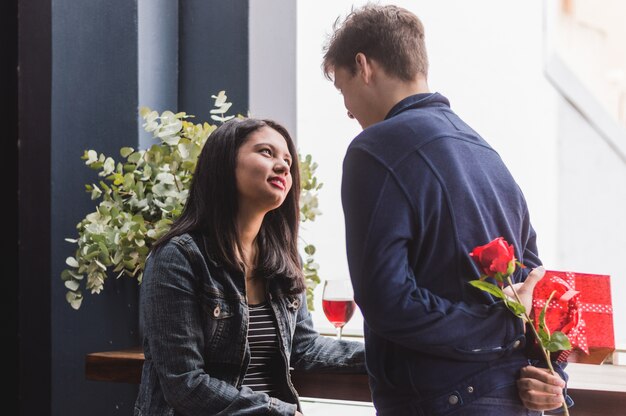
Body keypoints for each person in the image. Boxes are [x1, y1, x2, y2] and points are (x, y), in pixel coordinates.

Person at [321, 4, 572, 415]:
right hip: (513, 399)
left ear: (363, 66)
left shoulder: (374, 148)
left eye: (341, 87)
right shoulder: (487, 153)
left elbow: (387, 302)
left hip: (441, 402)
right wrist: (554, 377)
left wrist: (499, 326)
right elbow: (538, 288)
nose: (347, 108)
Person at [133, 117, 365, 416]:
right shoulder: (177, 258)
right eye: (267, 153)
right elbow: (185, 385)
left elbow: (306, 349)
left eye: (287, 160)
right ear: (225, 163)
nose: (283, 166)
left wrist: (387, 354)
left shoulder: (281, 258)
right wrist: (282, 413)